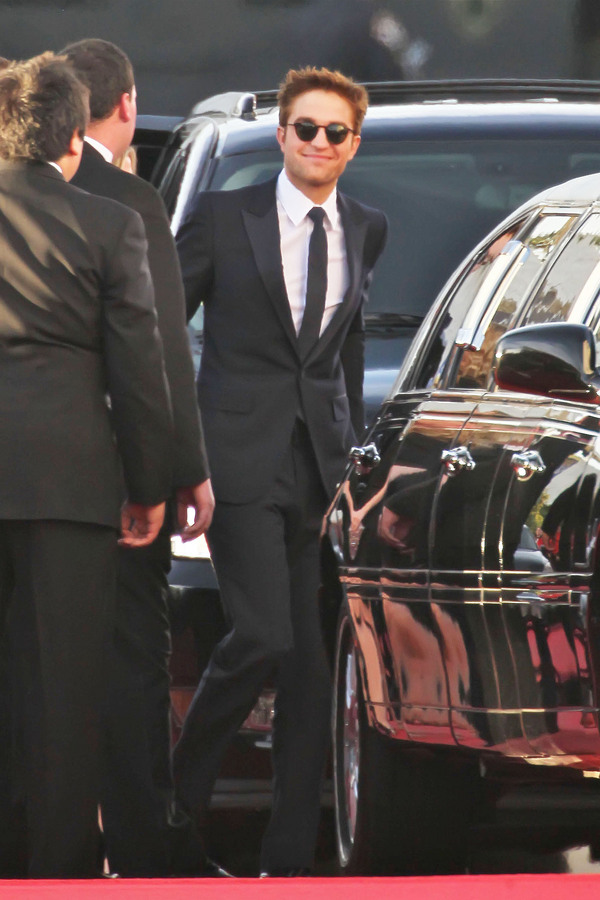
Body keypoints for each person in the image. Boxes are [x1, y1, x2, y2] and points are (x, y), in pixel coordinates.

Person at [173, 66, 388, 876]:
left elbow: (349, 342)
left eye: (335, 133)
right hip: (233, 462)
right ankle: (176, 800)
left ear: (353, 145)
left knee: (305, 665)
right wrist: (178, 452)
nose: (319, 144)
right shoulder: (227, 216)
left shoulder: (368, 227)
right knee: (261, 633)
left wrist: (353, 453)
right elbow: (163, 326)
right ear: (282, 135)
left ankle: (289, 856)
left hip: (318, 471)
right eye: (306, 129)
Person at [0, 52, 173, 877]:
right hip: (72, 484)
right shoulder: (111, 225)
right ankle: (59, 872)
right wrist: (149, 488)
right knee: (66, 693)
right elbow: (138, 370)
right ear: (74, 137)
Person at [60, 39, 216, 877]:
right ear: (125, 106)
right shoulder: (130, 200)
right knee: (130, 660)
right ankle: (145, 841)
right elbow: (157, 351)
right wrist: (183, 469)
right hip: (121, 481)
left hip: (34, 481)